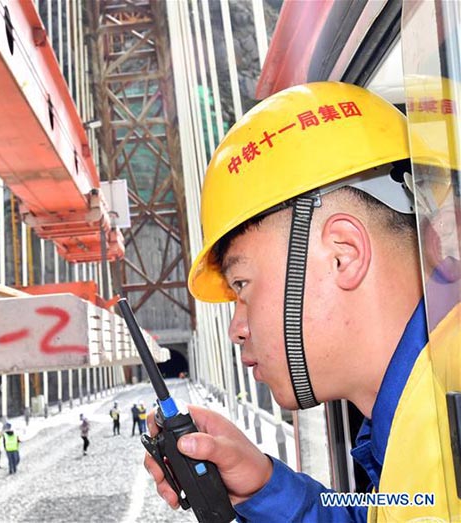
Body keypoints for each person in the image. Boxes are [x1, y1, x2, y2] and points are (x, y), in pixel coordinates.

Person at [144, 82, 460, 521]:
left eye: (241, 285)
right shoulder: (424, 424)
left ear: (342, 254)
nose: (236, 328)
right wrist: (265, 486)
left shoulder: (444, 442)